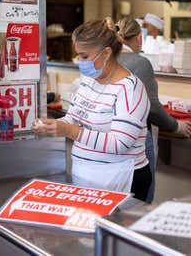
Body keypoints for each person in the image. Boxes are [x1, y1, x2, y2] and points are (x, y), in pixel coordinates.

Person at [31, 20, 152, 202]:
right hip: (86, 175)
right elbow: (73, 117)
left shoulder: (130, 89)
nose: (80, 61)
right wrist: (55, 126)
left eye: (85, 56)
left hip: (121, 179)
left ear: (106, 53)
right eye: (78, 55)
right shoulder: (89, 80)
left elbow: (119, 143)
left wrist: (70, 131)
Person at [116, 18, 191, 203]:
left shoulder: (106, 59)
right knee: (140, 203)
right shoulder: (140, 62)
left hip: (110, 143)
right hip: (137, 141)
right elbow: (151, 107)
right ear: (139, 38)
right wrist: (176, 126)